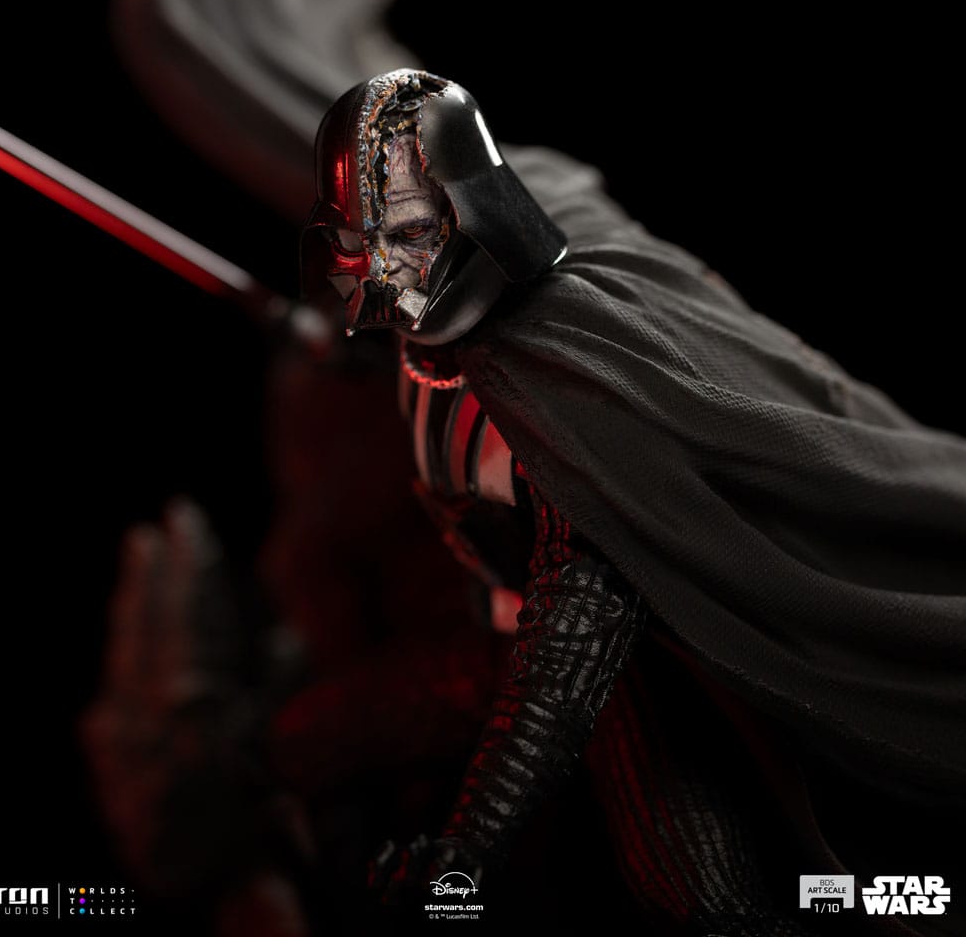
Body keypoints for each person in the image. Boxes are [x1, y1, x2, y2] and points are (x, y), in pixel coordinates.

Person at [299, 67, 966, 935]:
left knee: (702, 899)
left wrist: (467, 851)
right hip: (491, 622)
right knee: (302, 741)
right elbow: (402, 328)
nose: (389, 276)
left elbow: (562, 670)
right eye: (363, 243)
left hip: (638, 663)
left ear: (478, 208)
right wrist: (329, 336)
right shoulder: (422, 320)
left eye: (414, 233)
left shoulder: (576, 408)